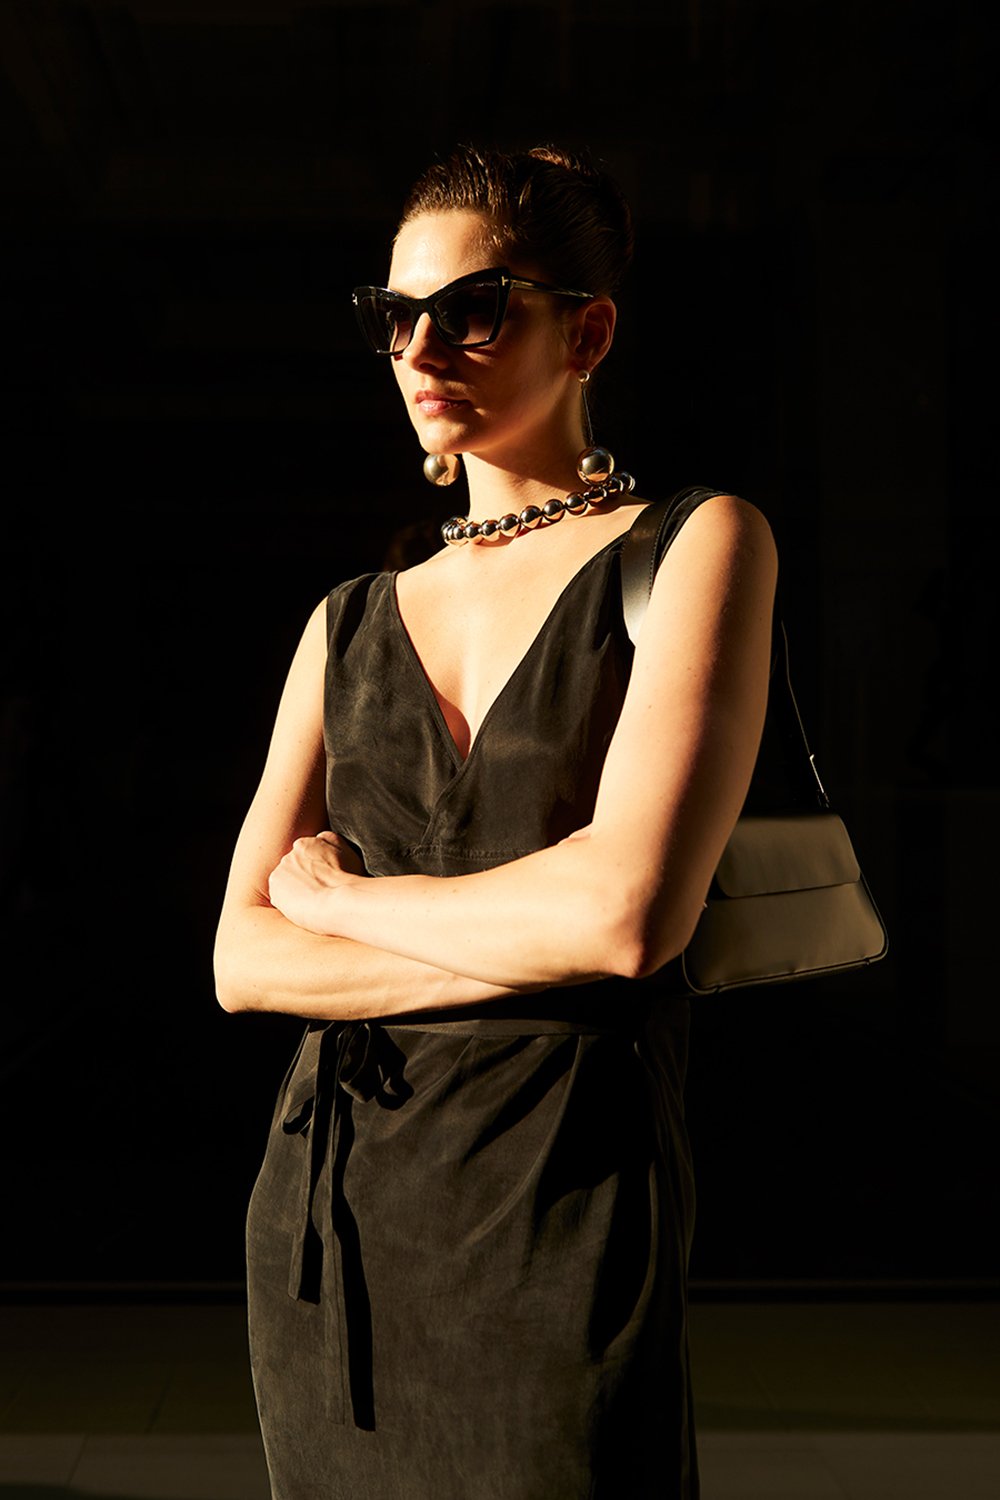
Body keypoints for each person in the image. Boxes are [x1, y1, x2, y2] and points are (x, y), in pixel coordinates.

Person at [214, 144, 777, 1500]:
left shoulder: (697, 544)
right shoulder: (347, 620)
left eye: (470, 310)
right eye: (393, 315)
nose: (419, 348)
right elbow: (242, 958)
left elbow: (628, 918)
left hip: (562, 1196)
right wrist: (539, 937)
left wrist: (349, 907)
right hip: (334, 1220)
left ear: (587, 333)